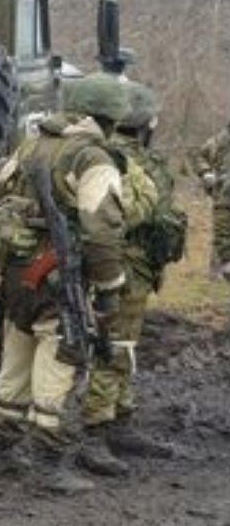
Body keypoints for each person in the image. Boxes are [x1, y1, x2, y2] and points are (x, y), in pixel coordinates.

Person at [0, 73, 129, 494]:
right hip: (61, 276)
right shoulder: (92, 159)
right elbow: (102, 230)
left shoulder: (31, 144)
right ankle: (48, 464)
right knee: (60, 359)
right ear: (111, 118)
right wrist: (111, 286)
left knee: (16, 354)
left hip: (17, 273)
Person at [78, 81, 185, 475]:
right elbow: (119, 219)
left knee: (125, 346)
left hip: (137, 272)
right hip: (121, 270)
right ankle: (96, 431)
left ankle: (119, 418)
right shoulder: (117, 163)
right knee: (112, 346)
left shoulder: (131, 159)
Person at [190, 120, 230, 278]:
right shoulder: (220, 140)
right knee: (222, 231)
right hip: (223, 195)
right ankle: (217, 270)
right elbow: (198, 156)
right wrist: (206, 172)